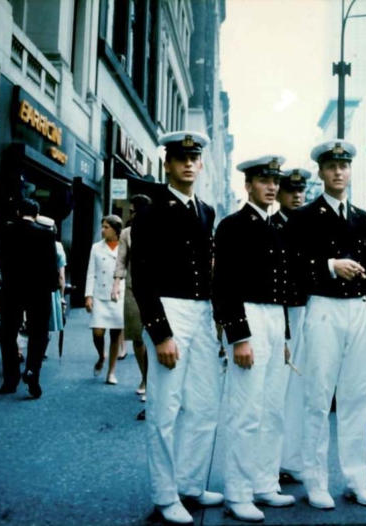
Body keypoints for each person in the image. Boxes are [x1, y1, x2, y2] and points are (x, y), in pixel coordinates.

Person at [130, 131, 223, 525]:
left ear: (201, 164)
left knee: (204, 405)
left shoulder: (206, 211)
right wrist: (160, 332)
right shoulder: (151, 211)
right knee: (165, 408)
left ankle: (190, 482)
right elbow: (141, 275)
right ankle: (165, 495)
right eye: (180, 158)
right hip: (169, 309)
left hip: (201, 312)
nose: (188, 164)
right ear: (167, 164)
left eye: (194, 158)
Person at [294, 139, 366, 509]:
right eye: (331, 166)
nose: (338, 172)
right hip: (323, 307)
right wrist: (330, 265)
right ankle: (315, 481)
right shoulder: (305, 216)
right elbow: (294, 265)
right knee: (318, 396)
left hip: (357, 309)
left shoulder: (360, 216)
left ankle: (357, 479)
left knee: (356, 397)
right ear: (320, 172)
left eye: (344, 166)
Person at [213, 156, 294, 522]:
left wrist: (285, 336)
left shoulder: (277, 226)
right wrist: (239, 336)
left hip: (274, 318)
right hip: (248, 316)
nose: (272, 187)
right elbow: (224, 283)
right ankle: (238, 492)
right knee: (246, 410)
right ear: (248, 185)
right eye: (264, 180)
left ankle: (264, 483)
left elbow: (283, 286)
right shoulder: (232, 225)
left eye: (275, 181)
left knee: (273, 408)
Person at [0, 197, 58, 399]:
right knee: (38, 333)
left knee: (8, 333)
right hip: (39, 291)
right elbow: (51, 265)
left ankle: (10, 378)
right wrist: (53, 288)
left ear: (17, 213)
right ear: (37, 215)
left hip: (10, 289)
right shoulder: (46, 234)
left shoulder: (5, 231)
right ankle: (32, 371)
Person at [273, 167, 311, 484]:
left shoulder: (311, 225)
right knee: (276, 388)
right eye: (291, 190)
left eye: (301, 190)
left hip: (308, 307)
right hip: (278, 309)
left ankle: (292, 457)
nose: (297, 196)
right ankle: (271, 460)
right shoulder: (272, 225)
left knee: (301, 388)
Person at [112, 194, 152, 407]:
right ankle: (145, 377)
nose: (132, 214)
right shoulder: (127, 233)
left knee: (154, 337)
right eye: (132, 211)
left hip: (157, 291)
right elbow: (121, 261)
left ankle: (153, 381)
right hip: (132, 289)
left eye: (135, 210)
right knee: (137, 337)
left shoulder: (158, 229)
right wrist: (116, 284)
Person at [85, 215, 124, 385]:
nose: (103, 230)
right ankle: (101, 355)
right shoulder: (96, 247)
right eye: (102, 226)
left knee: (115, 334)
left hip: (118, 296)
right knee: (98, 332)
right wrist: (88, 295)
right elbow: (91, 272)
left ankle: (111, 372)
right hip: (100, 295)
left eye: (106, 227)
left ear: (116, 230)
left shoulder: (124, 246)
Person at [36, 216, 66, 342]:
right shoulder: (57, 246)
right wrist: (62, 297)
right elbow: (61, 275)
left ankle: (20, 348)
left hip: (26, 288)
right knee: (44, 325)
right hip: (48, 290)